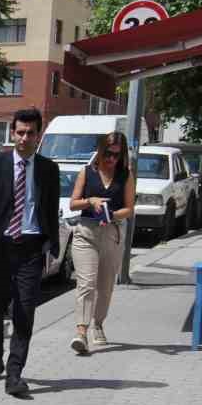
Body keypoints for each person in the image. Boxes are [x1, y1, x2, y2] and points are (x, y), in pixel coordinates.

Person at [0, 107, 60, 399]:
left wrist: (51, 245)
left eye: (30, 133)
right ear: (12, 133)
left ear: (38, 135)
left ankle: (15, 373)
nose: (24, 138)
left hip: (31, 248)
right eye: (19, 132)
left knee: (24, 311)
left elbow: (48, 209)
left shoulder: (49, 169)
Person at [67, 132, 135, 355]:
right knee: (86, 284)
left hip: (111, 235)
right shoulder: (87, 172)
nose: (111, 159)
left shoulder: (125, 175)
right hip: (86, 234)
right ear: (100, 150)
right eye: (108, 153)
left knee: (105, 288)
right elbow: (73, 204)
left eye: (117, 155)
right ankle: (81, 332)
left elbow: (129, 208)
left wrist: (113, 215)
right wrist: (91, 201)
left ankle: (98, 323)